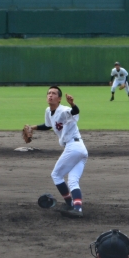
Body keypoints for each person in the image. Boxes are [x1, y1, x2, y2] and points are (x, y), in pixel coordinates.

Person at [27, 86, 87, 218]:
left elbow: (75, 111)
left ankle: (69, 204)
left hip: (74, 147)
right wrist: (32, 127)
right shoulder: (48, 111)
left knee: (56, 175)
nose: (50, 95)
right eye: (49, 93)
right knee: (73, 181)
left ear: (59, 99)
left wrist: (72, 104)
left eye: (54, 93)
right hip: (80, 149)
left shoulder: (64, 110)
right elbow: (48, 125)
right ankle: (77, 209)